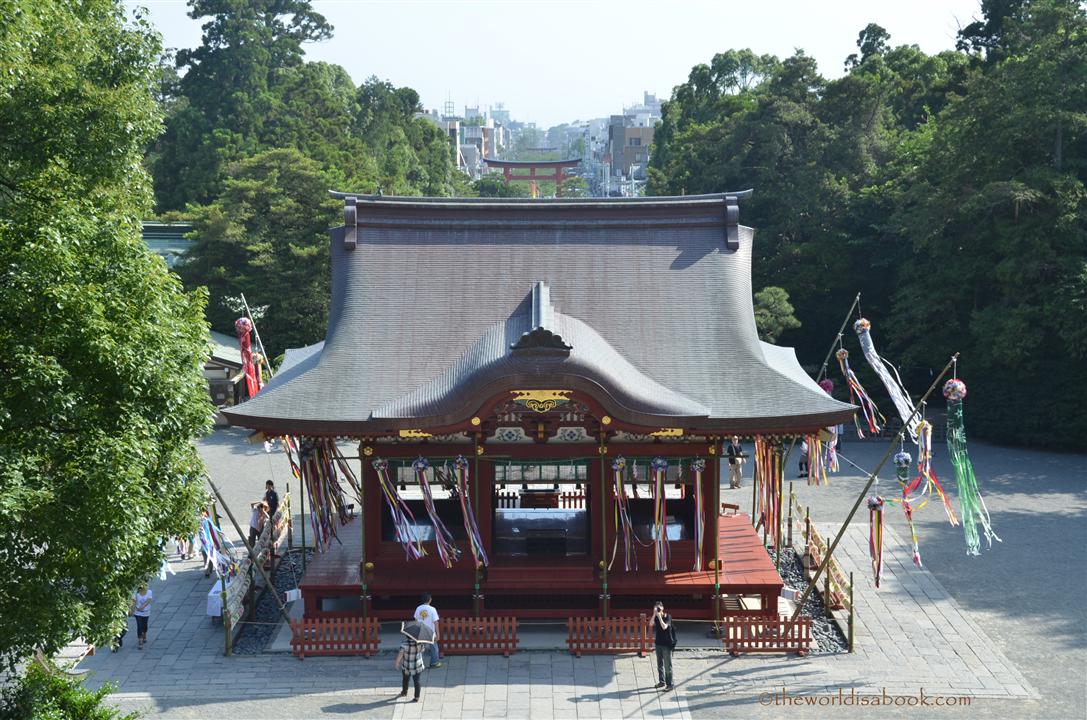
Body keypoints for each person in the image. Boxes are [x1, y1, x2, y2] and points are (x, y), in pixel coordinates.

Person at [652, 601, 677, 691]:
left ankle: (670, 684)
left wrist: (659, 616)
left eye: (659, 607)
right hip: (658, 643)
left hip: (666, 644)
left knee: (667, 665)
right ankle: (661, 682)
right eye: (656, 607)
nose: (658, 609)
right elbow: (650, 624)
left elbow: (664, 627)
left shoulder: (668, 616)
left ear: (663, 608)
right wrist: (654, 615)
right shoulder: (656, 617)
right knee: (659, 664)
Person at [413, 592, 442, 668]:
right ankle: (434, 662)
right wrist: (438, 633)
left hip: (420, 631)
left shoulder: (418, 608)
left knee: (420, 648)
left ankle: (418, 663)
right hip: (431, 632)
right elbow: (436, 622)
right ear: (430, 600)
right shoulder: (432, 609)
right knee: (434, 648)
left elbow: (416, 620)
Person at [395, 635, 425, 702]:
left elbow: (400, 654)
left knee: (405, 679)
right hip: (417, 665)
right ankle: (417, 697)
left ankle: (404, 692)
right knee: (417, 681)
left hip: (407, 666)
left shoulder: (404, 644)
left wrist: (397, 662)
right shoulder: (420, 643)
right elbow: (422, 650)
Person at [131, 584, 152, 650]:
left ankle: (144, 634)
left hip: (146, 612)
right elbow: (133, 602)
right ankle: (140, 641)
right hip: (138, 612)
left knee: (145, 625)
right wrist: (131, 610)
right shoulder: (136, 593)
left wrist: (143, 606)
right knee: (139, 626)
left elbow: (149, 600)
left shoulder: (149, 592)